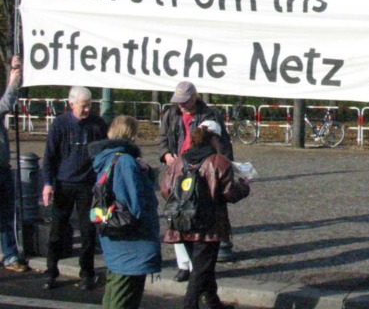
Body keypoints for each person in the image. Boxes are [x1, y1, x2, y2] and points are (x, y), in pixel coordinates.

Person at [161, 120, 250, 309]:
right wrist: (244, 186)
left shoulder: (179, 161)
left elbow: (166, 189)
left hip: (183, 221)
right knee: (201, 269)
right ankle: (189, 305)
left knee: (202, 266)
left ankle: (212, 302)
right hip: (208, 224)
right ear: (215, 139)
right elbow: (229, 193)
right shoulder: (218, 162)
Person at [158, 80, 233, 281]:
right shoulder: (171, 115)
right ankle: (184, 265)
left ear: (194, 97)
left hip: (202, 169)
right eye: (178, 101)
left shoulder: (210, 115)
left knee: (199, 218)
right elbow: (163, 138)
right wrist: (166, 155)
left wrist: (224, 166)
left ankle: (199, 267)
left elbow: (223, 144)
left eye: (184, 100)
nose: (181, 105)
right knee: (178, 216)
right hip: (179, 168)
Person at [89, 115, 161, 309]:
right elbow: (135, 205)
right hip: (131, 244)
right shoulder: (126, 161)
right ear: (132, 135)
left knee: (113, 295)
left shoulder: (106, 157)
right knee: (124, 298)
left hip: (114, 239)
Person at [41, 85, 108, 290]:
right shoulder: (60, 124)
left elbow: (104, 152)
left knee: (88, 231)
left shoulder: (97, 124)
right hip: (64, 184)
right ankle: (51, 271)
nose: (87, 109)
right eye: (83, 106)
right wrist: (48, 183)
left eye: (89, 105)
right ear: (71, 104)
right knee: (57, 231)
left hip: (87, 185)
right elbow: (49, 156)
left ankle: (87, 273)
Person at [0, 55, 30, 273]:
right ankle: (9, 254)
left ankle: (10, 254)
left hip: (3, 168)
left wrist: (14, 75)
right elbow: (5, 104)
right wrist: (14, 80)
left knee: (6, 213)